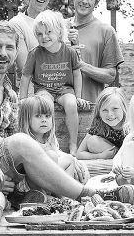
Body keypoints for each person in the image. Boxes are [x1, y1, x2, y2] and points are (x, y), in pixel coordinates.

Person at [0, 20, 134, 205]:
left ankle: (34, 198)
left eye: (9, 47)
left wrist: (69, 157)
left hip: (2, 168)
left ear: (15, 52)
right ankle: (90, 195)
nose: (3, 53)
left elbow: (15, 146)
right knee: (22, 141)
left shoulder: (10, 94)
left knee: (54, 157)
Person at [19, 10, 89, 153]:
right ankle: (49, 143)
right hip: (44, 89)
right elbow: (25, 77)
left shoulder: (70, 52)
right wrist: (23, 99)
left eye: (48, 32)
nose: (44, 37)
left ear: (59, 32)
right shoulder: (35, 53)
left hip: (65, 89)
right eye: (39, 34)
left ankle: (73, 144)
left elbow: (77, 74)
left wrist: (78, 97)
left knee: (71, 103)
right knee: (46, 105)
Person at [66, 0, 124, 104]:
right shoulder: (58, 27)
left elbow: (110, 76)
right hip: (57, 107)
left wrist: (80, 65)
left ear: (96, 3)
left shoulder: (106, 31)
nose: (85, 1)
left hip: (91, 107)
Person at [18, 94, 89, 184]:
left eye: (47, 116)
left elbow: (57, 152)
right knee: (63, 159)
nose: (44, 120)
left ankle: (67, 193)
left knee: (82, 169)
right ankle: (65, 194)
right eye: (38, 116)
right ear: (26, 119)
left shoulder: (48, 139)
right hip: (33, 182)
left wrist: (75, 161)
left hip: (49, 177)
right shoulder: (27, 141)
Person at [9, 0, 68, 75]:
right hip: (32, 89)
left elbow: (68, 60)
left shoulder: (57, 22)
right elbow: (26, 68)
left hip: (60, 87)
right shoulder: (17, 24)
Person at [76, 86, 127, 161]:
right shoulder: (99, 123)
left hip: (128, 153)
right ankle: (115, 156)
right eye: (105, 110)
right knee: (92, 141)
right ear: (99, 112)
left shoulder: (130, 124)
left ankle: (119, 156)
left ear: (124, 108)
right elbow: (79, 154)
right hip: (111, 151)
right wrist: (101, 155)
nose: (110, 114)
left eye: (115, 109)